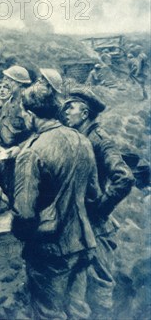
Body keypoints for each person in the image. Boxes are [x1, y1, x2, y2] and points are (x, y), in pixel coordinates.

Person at [13, 87, 100, 320]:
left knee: (48, 313)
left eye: (23, 112)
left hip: (50, 248)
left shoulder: (31, 152)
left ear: (31, 114)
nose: (22, 117)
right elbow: (94, 194)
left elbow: (24, 212)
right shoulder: (81, 140)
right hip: (83, 241)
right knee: (78, 311)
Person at [62, 88, 135, 317]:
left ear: (84, 113)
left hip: (96, 224)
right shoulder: (78, 137)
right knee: (78, 278)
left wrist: (100, 209)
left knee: (100, 279)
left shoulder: (100, 140)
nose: (65, 112)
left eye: (70, 107)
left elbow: (124, 178)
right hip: (78, 220)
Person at [0, 66, 32, 201]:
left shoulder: (28, 104)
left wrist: (19, 148)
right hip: (4, 154)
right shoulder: (7, 103)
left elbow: (37, 133)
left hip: (22, 155)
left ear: (20, 83)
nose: (7, 83)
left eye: (10, 80)